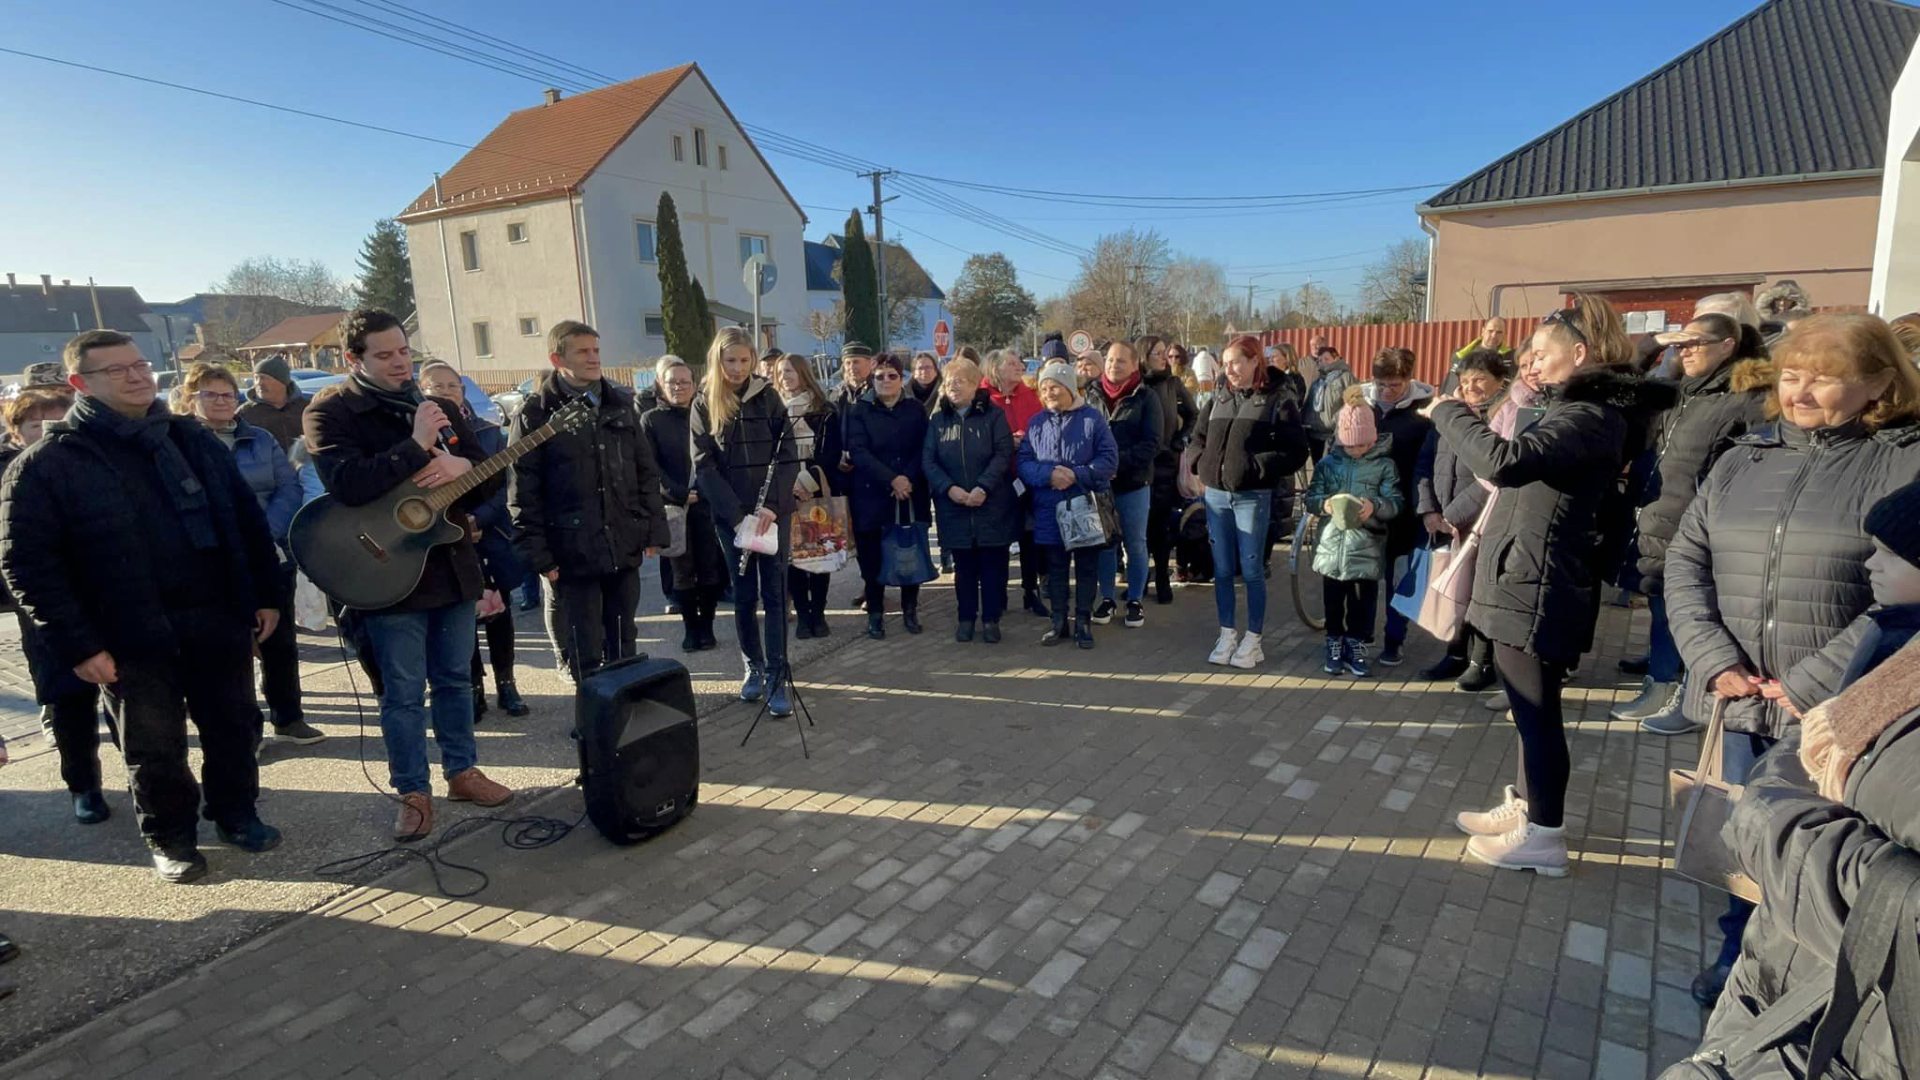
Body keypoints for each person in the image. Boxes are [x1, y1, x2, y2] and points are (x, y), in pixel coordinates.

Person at [1665, 312, 1920, 1005]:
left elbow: (1900, 591)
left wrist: (1809, 682)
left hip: (1840, 708)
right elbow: (1686, 556)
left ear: (1877, 385)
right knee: (1743, 838)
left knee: (1815, 857)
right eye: (1793, 375)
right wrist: (1709, 655)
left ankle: (1808, 983)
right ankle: (1738, 958)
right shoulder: (1748, 453)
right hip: (1737, 693)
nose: (1801, 392)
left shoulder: (1906, 460)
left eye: (1825, 379)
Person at [3, 330, 284, 881]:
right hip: (128, 634)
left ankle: (235, 813)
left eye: (139, 365)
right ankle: (171, 838)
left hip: (215, 618)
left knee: (234, 726)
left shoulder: (191, 439)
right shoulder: (47, 465)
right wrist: (79, 646)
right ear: (81, 384)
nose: (136, 377)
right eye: (117, 371)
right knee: (154, 748)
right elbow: (28, 567)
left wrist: (266, 596)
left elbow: (245, 523)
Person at [1661, 482, 1920, 1080]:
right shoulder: (1892, 642)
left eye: (1891, 554)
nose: (1869, 563)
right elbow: (1686, 552)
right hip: (1782, 975)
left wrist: (1773, 815)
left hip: (1856, 1025)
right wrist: (1709, 655)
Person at [1432, 294, 1646, 877]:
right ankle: (1528, 809)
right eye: (1526, 353)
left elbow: (1503, 462)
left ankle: (1545, 834)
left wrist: (1450, 412)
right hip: (1526, 573)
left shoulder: (1590, 417)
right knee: (1531, 711)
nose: (1529, 362)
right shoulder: (1571, 410)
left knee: (1536, 711)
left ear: (1580, 354)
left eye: (1541, 353)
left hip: (1539, 580)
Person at [306, 308, 513, 843]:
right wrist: (415, 445)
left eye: (404, 351)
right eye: (385, 355)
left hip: (450, 564)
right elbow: (348, 484)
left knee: (456, 679)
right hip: (385, 573)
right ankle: (412, 793)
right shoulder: (332, 411)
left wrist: (465, 468)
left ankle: (462, 772)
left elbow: (487, 486)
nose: (400, 363)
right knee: (401, 691)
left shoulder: (440, 405)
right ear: (355, 358)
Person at [1615, 314, 1771, 734]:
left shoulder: (1748, 399)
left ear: (1727, 346)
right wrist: (1653, 343)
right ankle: (1661, 674)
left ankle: (1680, 693)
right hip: (1657, 514)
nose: (1683, 352)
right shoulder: (1682, 392)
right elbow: (1626, 386)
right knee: (1661, 601)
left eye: (1694, 344)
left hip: (1700, 525)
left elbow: (1755, 471)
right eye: (1679, 345)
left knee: (1687, 606)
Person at [510, 320, 667, 681]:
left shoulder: (619, 403)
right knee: (584, 650)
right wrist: (539, 555)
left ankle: (624, 723)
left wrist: (652, 529)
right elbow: (522, 492)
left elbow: (645, 470)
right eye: (583, 351)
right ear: (557, 358)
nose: (593, 358)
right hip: (571, 551)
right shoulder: (536, 414)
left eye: (596, 350)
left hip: (621, 543)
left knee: (624, 641)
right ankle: (593, 725)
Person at [182, 362, 325, 747]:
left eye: (227, 394)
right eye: (209, 394)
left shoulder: (259, 439)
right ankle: (247, 728)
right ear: (190, 398)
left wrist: (263, 531)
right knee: (233, 647)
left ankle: (289, 717)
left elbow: (289, 488)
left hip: (267, 550)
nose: (220, 401)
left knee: (279, 639)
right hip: (213, 559)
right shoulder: (180, 444)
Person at [0, 389, 111, 822]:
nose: (48, 433)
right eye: (36, 426)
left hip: (111, 596)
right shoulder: (10, 474)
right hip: (46, 607)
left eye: (57, 422)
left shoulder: (96, 463)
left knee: (133, 694)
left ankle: (152, 778)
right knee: (68, 700)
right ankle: (83, 785)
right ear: (16, 433)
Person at [693, 327, 802, 716]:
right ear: (717, 361)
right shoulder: (704, 402)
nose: (738, 368)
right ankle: (752, 666)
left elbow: (787, 453)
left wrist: (772, 505)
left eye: (744, 360)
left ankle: (777, 673)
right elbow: (704, 466)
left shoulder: (768, 397)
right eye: (730, 361)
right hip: (733, 517)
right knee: (743, 595)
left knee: (775, 594)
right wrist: (738, 517)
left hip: (773, 514)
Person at [1192, 335, 1310, 669]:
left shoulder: (1278, 397)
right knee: (1223, 569)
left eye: (1235, 362)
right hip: (1216, 495)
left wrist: (1258, 467)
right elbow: (1197, 436)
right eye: (1225, 363)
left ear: (1255, 361)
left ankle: (1253, 639)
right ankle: (1227, 633)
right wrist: (1198, 464)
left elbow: (1297, 450)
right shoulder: (1219, 395)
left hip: (1252, 497)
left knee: (1252, 569)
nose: (1229, 369)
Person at [420, 362, 527, 720]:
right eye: (438, 387)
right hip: (444, 538)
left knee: (500, 613)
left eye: (454, 385)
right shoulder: (418, 439)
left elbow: (502, 486)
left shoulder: (489, 432)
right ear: (422, 391)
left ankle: (507, 684)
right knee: (461, 619)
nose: (447, 391)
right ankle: (473, 687)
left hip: (489, 533)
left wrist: (478, 519)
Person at [1414, 349, 1509, 688]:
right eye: (1465, 380)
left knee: (1479, 592)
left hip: (1481, 520)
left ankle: (1481, 662)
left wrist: (1453, 515)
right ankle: (1454, 653)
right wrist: (1428, 509)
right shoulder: (1448, 415)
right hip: (1443, 519)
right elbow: (1424, 463)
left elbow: (1491, 478)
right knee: (1452, 588)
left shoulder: (1501, 417)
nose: (1471, 387)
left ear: (1499, 381)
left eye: (1479, 379)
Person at [1019, 360, 1117, 648]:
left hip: (1084, 506)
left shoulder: (1092, 419)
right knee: (1056, 568)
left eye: (1055, 387)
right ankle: (1058, 621)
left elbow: (1109, 460)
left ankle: (1083, 622)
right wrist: (1048, 475)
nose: (1049, 393)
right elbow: (1024, 463)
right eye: (1045, 388)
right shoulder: (1035, 423)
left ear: (1070, 388)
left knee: (1086, 567)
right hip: (1049, 508)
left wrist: (1076, 474)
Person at [1305, 388, 1402, 677]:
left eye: (1361, 445)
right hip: (1332, 547)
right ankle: (1334, 642)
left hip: (1367, 546)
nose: (1355, 450)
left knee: (1363, 602)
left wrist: (1376, 506)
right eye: (1349, 446)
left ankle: (1357, 644)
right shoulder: (1327, 464)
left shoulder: (1385, 465)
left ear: (1373, 438)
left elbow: (1396, 501)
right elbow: (1311, 497)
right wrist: (1323, 505)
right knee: (1333, 602)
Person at [925, 355, 1016, 642]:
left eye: (960, 381)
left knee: (992, 566)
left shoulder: (994, 415)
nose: (953, 387)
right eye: (949, 382)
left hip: (990, 503)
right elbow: (929, 461)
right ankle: (966, 618)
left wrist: (983, 488)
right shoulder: (938, 420)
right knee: (963, 569)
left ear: (976, 385)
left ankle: (991, 619)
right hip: (954, 506)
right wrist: (949, 488)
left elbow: (1003, 454)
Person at [847, 353, 933, 638]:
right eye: (880, 376)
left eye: (892, 375)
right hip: (873, 495)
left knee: (909, 553)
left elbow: (924, 448)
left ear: (902, 378)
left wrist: (906, 478)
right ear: (872, 379)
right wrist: (891, 479)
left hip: (909, 492)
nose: (886, 381)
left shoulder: (915, 409)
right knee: (872, 560)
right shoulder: (859, 410)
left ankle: (910, 611)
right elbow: (859, 452)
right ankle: (875, 614)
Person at [641, 357, 723, 651]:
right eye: (672, 381)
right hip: (673, 507)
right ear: (660, 384)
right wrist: (677, 492)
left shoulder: (708, 414)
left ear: (693, 384)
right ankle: (691, 628)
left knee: (710, 568)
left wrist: (704, 490)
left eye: (684, 382)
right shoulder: (651, 419)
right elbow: (649, 466)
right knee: (682, 569)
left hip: (706, 502)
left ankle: (708, 625)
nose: (678, 387)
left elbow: (716, 456)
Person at [1364, 348, 1436, 666]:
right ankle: (1362, 632)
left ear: (1409, 379)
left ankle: (1394, 638)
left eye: (1394, 384)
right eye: (1381, 384)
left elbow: (1430, 463)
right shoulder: (1363, 406)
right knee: (1364, 574)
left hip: (1405, 511)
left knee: (1398, 578)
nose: (1387, 391)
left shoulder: (1424, 413)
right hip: (1365, 509)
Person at [1087, 339, 1165, 629]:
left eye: (1120, 360)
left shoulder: (1146, 396)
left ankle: (1134, 599)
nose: (1113, 365)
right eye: (1109, 359)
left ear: (1134, 365)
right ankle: (1106, 598)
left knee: (1135, 543)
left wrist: (1116, 464)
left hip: (1134, 483)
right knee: (1105, 544)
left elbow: (1153, 442)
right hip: (1100, 484)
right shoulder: (1092, 393)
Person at [774, 352, 840, 639]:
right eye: (780, 372)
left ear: (803, 373)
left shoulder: (823, 409)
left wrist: (805, 480)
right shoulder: (772, 408)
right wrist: (787, 484)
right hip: (783, 491)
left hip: (817, 488)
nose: (784, 377)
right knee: (795, 560)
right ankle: (802, 615)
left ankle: (819, 613)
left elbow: (831, 453)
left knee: (819, 557)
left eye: (789, 371)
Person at [984, 347, 1048, 617]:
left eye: (1018, 362)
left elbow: (1043, 430)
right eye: (1011, 363)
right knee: (999, 539)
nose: (1018, 366)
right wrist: (1005, 442)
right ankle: (997, 594)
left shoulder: (1030, 396)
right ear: (996, 369)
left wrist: (1026, 441)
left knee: (1029, 536)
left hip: (1026, 476)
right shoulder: (983, 398)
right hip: (996, 479)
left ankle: (1030, 591)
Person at [1139, 335, 1199, 604]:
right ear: (1143, 355)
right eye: (1158, 353)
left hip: (1164, 464)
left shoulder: (1173, 383)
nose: (1164, 358)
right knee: (1138, 529)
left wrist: (1181, 439)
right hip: (1138, 465)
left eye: (1165, 353)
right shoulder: (1135, 385)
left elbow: (1194, 414)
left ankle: (1162, 579)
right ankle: (1139, 580)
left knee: (1160, 527)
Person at [236, 353, 308, 452]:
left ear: (282, 382)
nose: (259, 383)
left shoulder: (306, 408)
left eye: (264, 378)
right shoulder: (245, 413)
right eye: (256, 378)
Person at [1303, 342, 1356, 462]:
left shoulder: (1346, 378)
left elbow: (1352, 403)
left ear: (1336, 359)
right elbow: (1309, 405)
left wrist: (1337, 420)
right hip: (1314, 435)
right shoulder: (1318, 382)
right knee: (1318, 470)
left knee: (1333, 472)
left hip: (1334, 435)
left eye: (1327, 359)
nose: (1322, 362)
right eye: (1320, 360)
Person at [1442, 318, 1511, 395]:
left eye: (1499, 332)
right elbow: (1451, 381)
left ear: (1505, 335)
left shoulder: (1510, 358)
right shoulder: (1460, 354)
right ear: (1483, 331)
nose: (1494, 335)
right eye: (1490, 331)